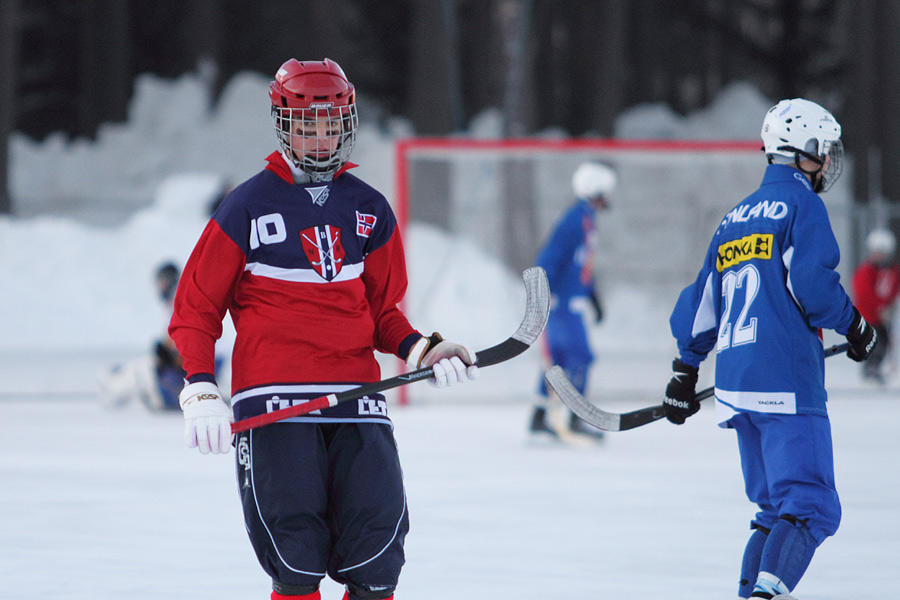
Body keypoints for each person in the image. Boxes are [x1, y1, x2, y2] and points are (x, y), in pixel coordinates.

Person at [168, 57, 478, 600]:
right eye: (307, 124)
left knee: (379, 555)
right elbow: (196, 307)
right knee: (296, 560)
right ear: (284, 124)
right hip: (276, 404)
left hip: (359, 400)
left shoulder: (368, 208)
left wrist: (424, 348)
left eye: (330, 123)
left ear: (347, 123)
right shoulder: (246, 206)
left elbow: (384, 315)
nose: (319, 135)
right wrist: (198, 387)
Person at [662, 98, 877, 600]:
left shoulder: (732, 219)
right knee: (810, 506)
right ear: (800, 151)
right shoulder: (803, 205)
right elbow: (813, 287)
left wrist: (684, 372)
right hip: (787, 382)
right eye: (822, 150)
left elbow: (699, 307)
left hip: (737, 386)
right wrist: (857, 326)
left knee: (772, 512)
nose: (827, 162)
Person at [528, 161, 614, 441]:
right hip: (562, 305)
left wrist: (592, 296)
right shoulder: (574, 220)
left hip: (570, 303)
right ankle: (577, 419)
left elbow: (580, 266)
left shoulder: (586, 219)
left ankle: (538, 419)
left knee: (562, 360)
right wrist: (543, 296)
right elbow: (548, 260)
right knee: (581, 358)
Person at [852, 227, 900, 383]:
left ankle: (876, 366)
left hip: (883, 316)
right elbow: (864, 293)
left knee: (884, 340)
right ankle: (870, 366)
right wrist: (879, 307)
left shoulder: (893, 271)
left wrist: (888, 307)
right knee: (872, 340)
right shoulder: (865, 271)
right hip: (868, 315)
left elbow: (893, 290)